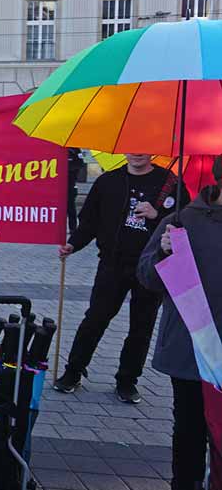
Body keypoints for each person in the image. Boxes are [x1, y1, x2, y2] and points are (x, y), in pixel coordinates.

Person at [54, 153, 189, 403]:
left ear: (151, 150)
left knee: (142, 326)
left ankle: (127, 380)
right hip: (113, 264)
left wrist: (156, 215)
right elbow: (89, 222)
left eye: (143, 148)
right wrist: (73, 244)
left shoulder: (170, 183)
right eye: (132, 147)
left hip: (150, 267)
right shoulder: (108, 182)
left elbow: (183, 224)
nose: (137, 153)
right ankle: (73, 371)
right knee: (95, 318)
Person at [138, 155, 222, 490]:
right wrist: (163, 251)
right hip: (193, 346)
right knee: (189, 430)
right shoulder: (182, 221)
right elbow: (147, 277)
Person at [67, 148, 85, 234]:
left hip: (70, 184)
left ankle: (72, 228)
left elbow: (80, 164)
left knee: (70, 206)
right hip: (56, 184)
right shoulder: (56, 148)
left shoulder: (75, 150)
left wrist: (67, 167)